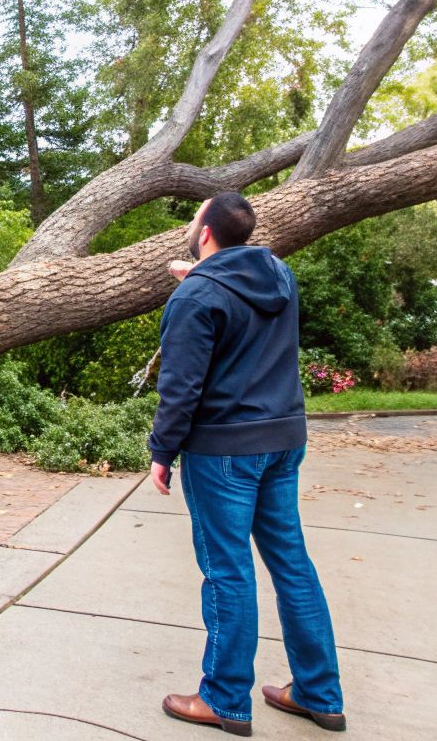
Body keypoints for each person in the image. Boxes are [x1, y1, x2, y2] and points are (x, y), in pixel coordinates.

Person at [149, 191, 345, 736]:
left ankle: (225, 700)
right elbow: (240, 297)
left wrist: (162, 451)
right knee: (292, 566)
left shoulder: (197, 297)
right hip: (283, 439)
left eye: (195, 220)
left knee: (227, 571)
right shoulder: (278, 276)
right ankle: (319, 694)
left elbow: (181, 386)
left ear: (205, 232)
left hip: (225, 452)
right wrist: (198, 278)